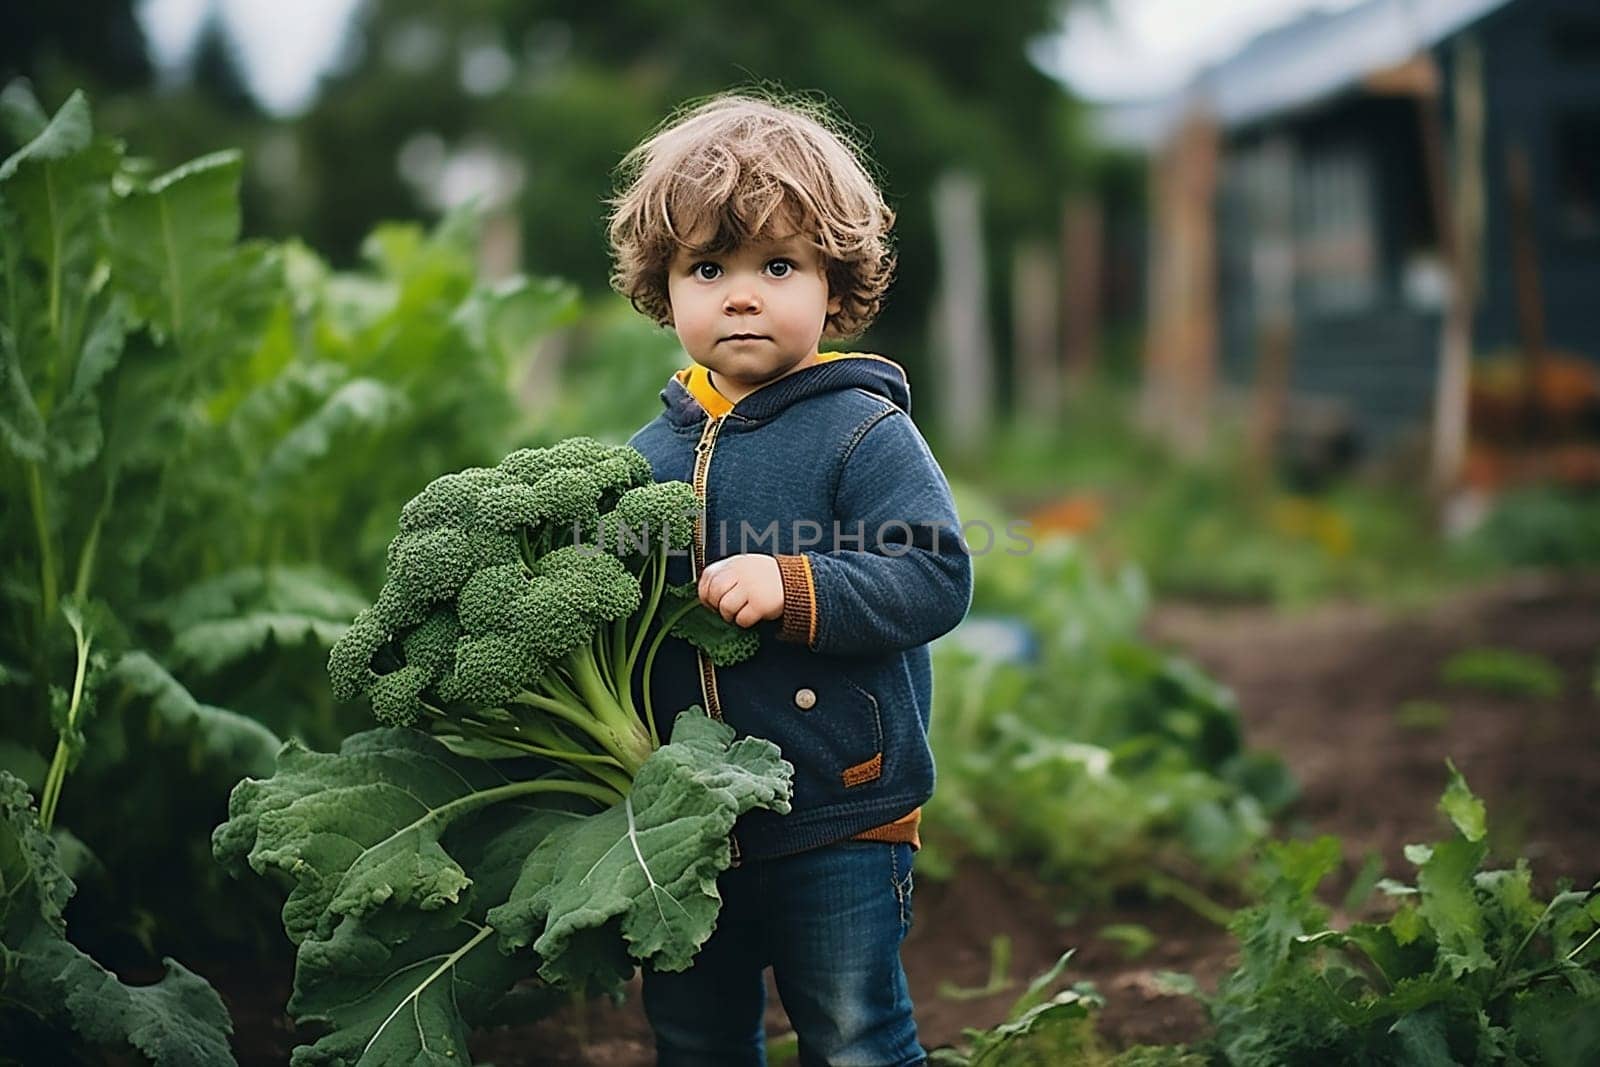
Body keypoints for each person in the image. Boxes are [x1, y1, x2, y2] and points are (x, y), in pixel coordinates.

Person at [609, 90, 973, 1067]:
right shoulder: (642, 458)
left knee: (854, 1030)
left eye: (776, 265)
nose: (740, 292)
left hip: (840, 809)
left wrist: (794, 584)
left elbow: (934, 575)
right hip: (686, 821)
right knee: (692, 1034)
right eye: (706, 267)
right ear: (663, 287)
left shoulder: (863, 428)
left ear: (834, 282)